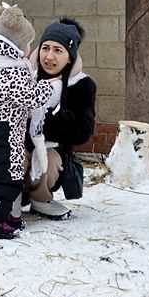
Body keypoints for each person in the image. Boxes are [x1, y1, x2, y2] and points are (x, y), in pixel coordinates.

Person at [0, 3, 59, 240]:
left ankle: (1, 214)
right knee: (6, 175)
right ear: (15, 47)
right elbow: (30, 99)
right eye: (29, 43)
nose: (31, 49)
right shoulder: (12, 71)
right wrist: (48, 87)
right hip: (4, 132)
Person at [24, 18, 97, 220]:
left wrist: (49, 120)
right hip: (21, 144)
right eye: (45, 48)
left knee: (47, 159)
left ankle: (41, 200)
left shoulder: (81, 85)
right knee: (12, 157)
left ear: (70, 57)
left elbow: (83, 130)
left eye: (58, 50)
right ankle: (11, 199)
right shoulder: (25, 77)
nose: (49, 56)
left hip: (53, 150)